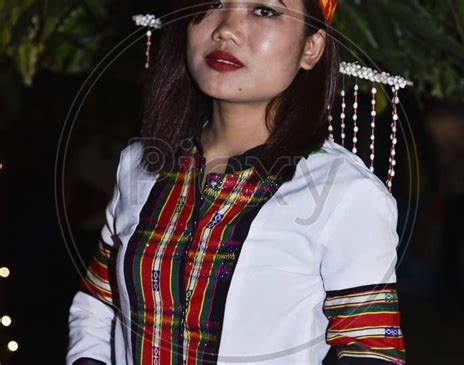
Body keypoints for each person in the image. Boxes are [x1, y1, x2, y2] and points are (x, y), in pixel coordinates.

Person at [66, 0, 406, 364]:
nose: (226, 28)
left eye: (264, 10)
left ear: (312, 48)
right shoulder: (141, 166)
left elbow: (371, 352)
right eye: (213, 3)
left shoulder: (344, 191)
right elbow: (99, 303)